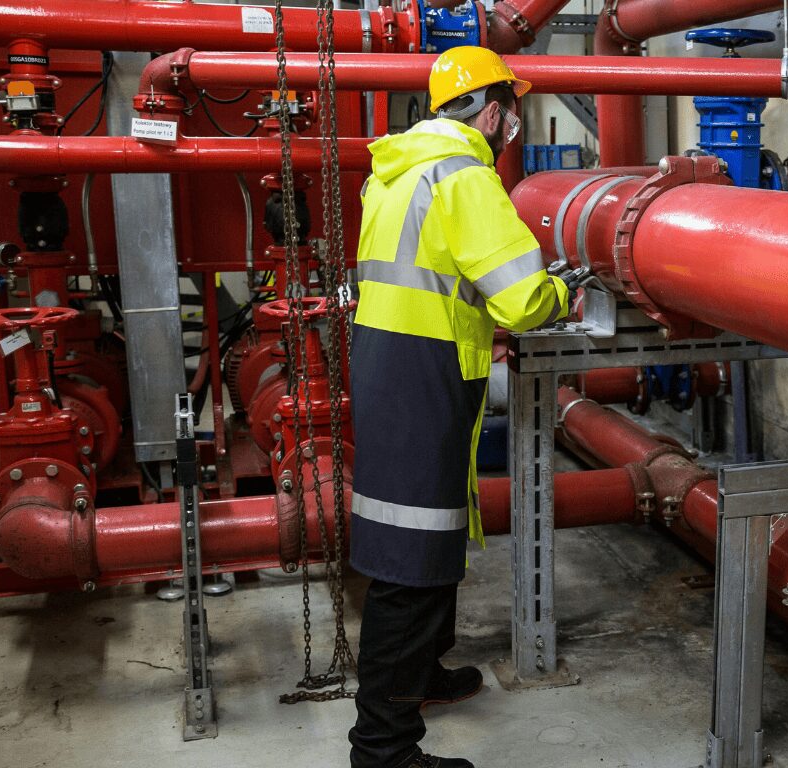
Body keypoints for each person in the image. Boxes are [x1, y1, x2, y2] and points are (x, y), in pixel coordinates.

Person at [347, 47, 585, 768]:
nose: (513, 122)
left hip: (393, 364)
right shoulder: (466, 178)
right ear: (492, 111)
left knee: (430, 534)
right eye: (512, 108)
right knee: (408, 556)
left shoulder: (395, 171)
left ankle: (421, 676)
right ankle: (383, 750)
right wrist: (564, 292)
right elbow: (518, 296)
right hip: (425, 375)